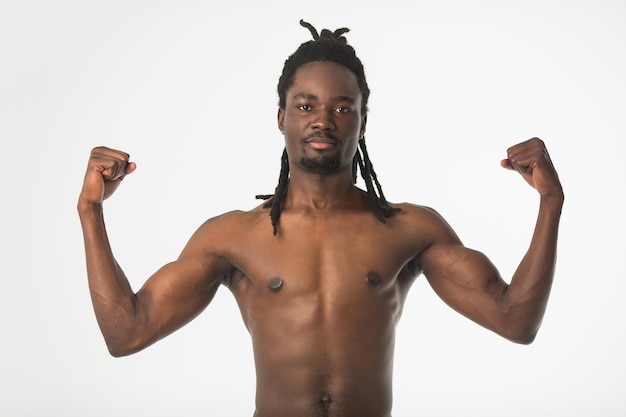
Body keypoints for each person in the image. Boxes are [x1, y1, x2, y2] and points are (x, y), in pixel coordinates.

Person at [78, 20, 564, 417]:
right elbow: (128, 332)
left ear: (362, 120)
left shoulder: (410, 230)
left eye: (342, 107)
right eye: (305, 105)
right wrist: (91, 211)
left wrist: (550, 203)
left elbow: (515, 320)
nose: (322, 119)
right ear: (281, 118)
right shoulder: (233, 237)